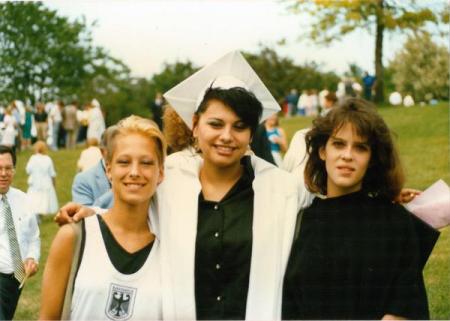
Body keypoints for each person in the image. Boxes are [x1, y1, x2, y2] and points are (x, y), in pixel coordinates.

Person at [55, 51, 308, 320]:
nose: (227, 136)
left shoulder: (281, 190)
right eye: (216, 124)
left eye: (239, 126)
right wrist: (93, 214)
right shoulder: (170, 179)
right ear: (196, 125)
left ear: (250, 133)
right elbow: (130, 210)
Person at [282, 98, 438, 320]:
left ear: (372, 159)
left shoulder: (394, 221)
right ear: (322, 151)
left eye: (360, 147)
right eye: (338, 144)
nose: (347, 155)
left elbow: (405, 307)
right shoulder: (302, 221)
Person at [40, 115, 166, 320]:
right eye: (124, 162)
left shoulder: (170, 248)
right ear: (109, 170)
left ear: (160, 173)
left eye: (146, 163)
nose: (134, 172)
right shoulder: (74, 237)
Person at [0, 145, 40, 320]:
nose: (3, 173)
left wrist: (32, 257)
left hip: (16, 281)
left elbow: (33, 237)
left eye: (8, 168)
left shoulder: (24, 200)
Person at [71, 126, 116, 206]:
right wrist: (118, 189)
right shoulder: (83, 180)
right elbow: (84, 215)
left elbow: (80, 165)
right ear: (103, 152)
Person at [25, 141, 58, 218]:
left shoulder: (33, 158)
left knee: (34, 199)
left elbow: (28, 170)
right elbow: (52, 173)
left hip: (35, 182)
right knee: (44, 199)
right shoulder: (48, 159)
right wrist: (54, 183)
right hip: (46, 182)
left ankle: (36, 215)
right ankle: (40, 214)